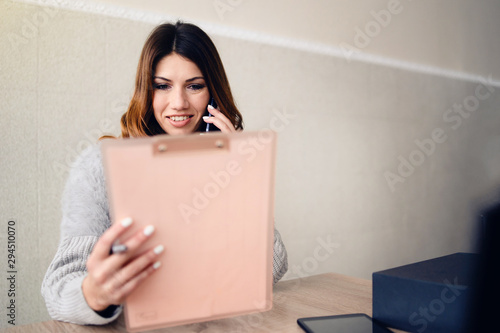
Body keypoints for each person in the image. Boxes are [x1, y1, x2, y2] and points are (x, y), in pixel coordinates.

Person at [41, 21, 288, 325]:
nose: (179, 103)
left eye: (195, 86)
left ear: (212, 93)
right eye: (163, 86)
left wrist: (241, 180)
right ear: (147, 90)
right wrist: (96, 293)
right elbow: (58, 289)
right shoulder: (97, 166)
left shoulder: (228, 169)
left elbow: (269, 272)